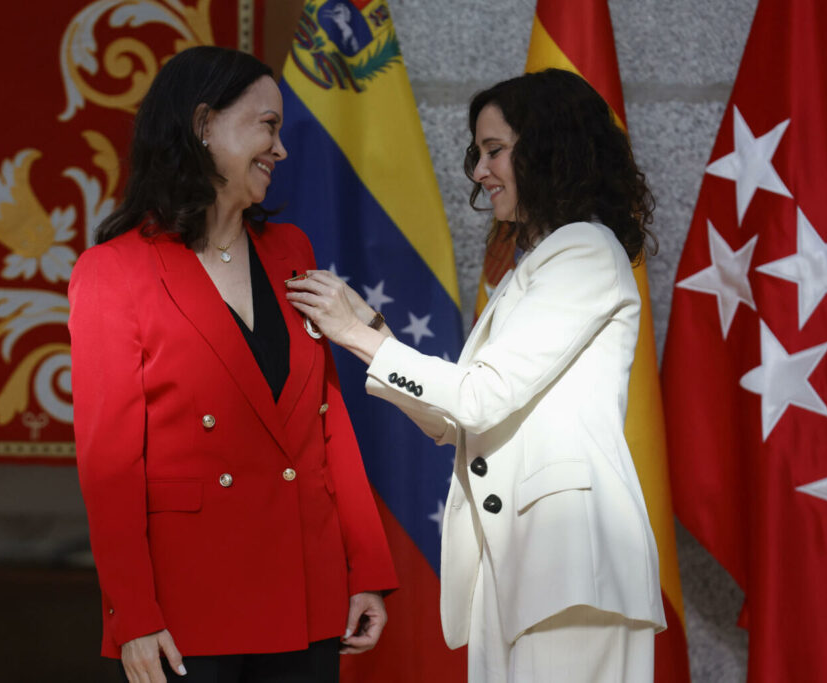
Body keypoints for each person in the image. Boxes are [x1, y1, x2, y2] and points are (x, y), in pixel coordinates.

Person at [286, 68, 667, 682]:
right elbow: (455, 420)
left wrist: (356, 333)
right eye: (478, 153)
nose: (479, 171)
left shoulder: (584, 251)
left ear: (549, 150)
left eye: (494, 151)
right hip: (520, 563)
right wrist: (372, 333)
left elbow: (479, 398)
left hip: (571, 562)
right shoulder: (534, 266)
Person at [68, 46, 397, 683]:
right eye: (267, 126)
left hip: (307, 594)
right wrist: (132, 615)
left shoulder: (291, 250)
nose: (281, 149)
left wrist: (366, 571)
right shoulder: (113, 271)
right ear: (203, 125)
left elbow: (326, 422)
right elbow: (109, 468)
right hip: (187, 610)